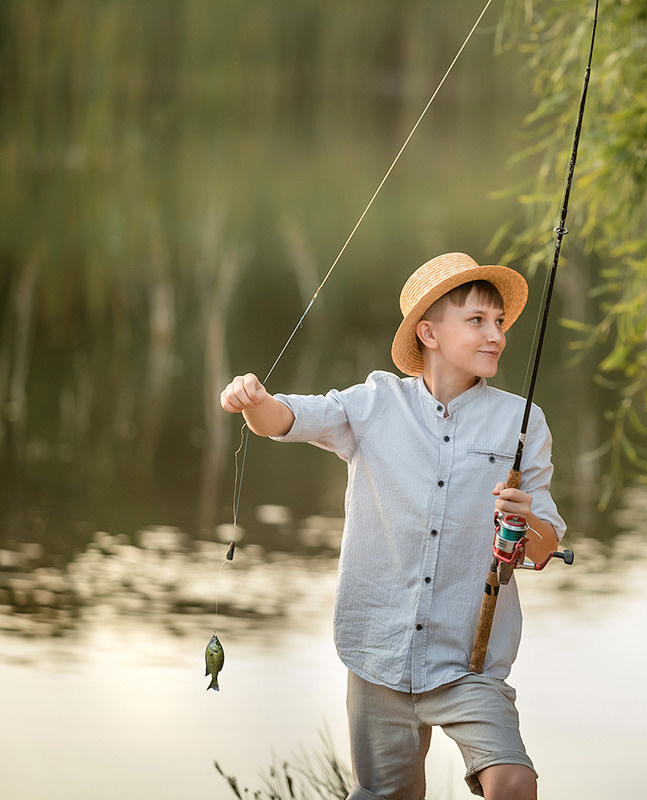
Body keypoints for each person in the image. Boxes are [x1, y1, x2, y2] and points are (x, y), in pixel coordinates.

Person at [220, 252, 566, 800]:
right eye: (477, 320)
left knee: (515, 782)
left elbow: (545, 547)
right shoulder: (375, 402)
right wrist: (253, 402)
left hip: (468, 661)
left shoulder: (523, 421)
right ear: (428, 332)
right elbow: (286, 419)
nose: (495, 335)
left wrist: (526, 524)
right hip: (378, 652)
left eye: (499, 322)